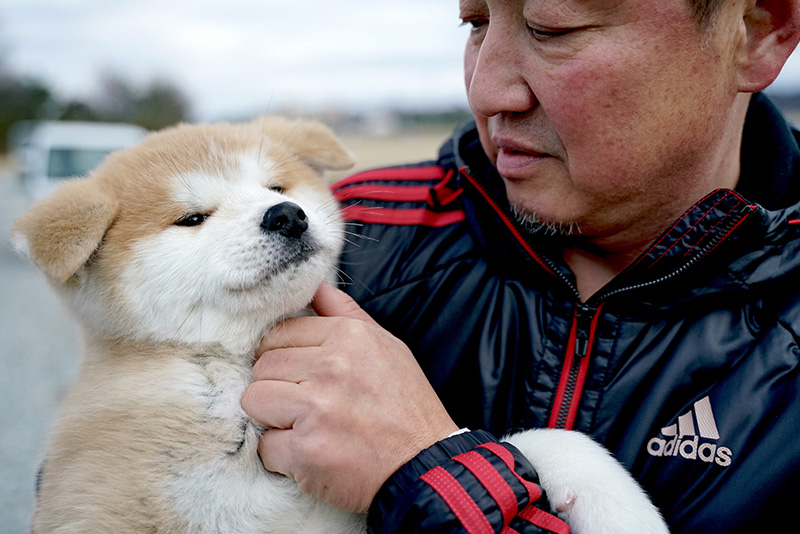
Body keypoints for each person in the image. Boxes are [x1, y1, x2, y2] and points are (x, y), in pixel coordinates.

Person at [241, 0, 800, 531]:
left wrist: (429, 478)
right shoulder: (344, 235)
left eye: (552, 28)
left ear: (755, 29)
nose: (486, 91)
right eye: (476, 22)